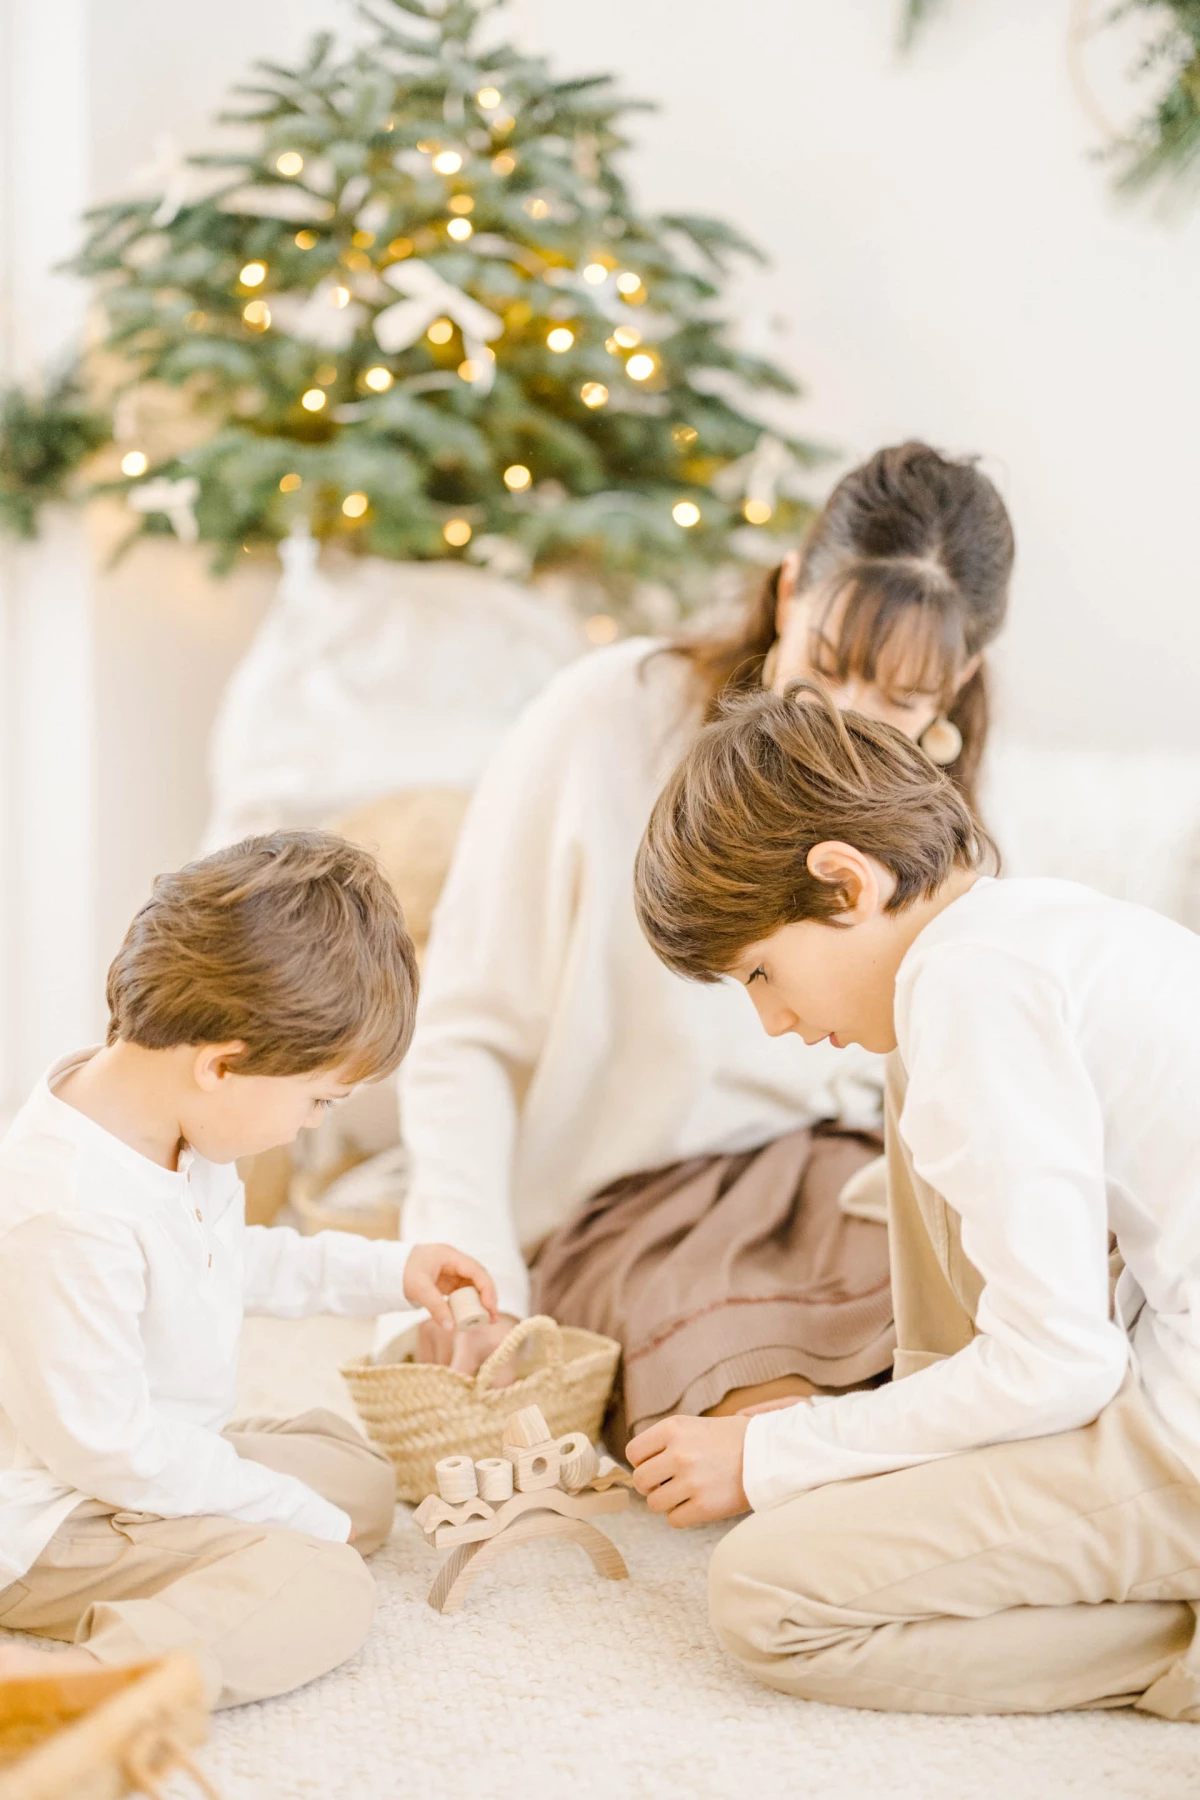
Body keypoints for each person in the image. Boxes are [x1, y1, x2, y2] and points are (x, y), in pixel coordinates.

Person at [398, 442, 1015, 1446]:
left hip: (846, 1171)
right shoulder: (610, 718)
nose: (852, 723)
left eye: (902, 699)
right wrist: (477, 1275)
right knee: (766, 1417)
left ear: (960, 682)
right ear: (785, 596)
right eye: (828, 667)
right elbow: (468, 1031)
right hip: (639, 1205)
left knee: (986, 1348)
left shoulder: (946, 810)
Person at [627, 684, 1200, 1722]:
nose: (775, 1022)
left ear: (844, 884)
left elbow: (1061, 1363)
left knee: (765, 1596)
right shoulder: (1033, 928)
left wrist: (773, 1451)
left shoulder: (968, 991)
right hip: (1159, 1357)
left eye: (761, 972)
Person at [0, 832, 496, 1709]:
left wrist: (392, 1269)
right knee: (321, 1581)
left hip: (135, 1455)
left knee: (362, 1481)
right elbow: (111, 1451)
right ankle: (72, 1689)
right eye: (318, 1101)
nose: (312, 1126)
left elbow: (229, 1259)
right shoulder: (67, 1211)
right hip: (54, 1519)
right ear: (223, 1062)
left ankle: (250, 1537)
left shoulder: (171, 1121)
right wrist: (295, 1519)